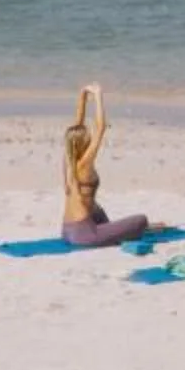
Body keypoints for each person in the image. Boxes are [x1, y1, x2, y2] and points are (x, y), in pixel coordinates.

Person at [61, 83, 156, 248]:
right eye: (87, 137)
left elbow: (77, 124)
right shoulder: (84, 163)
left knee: (98, 210)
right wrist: (98, 96)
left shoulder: (68, 158)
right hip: (84, 234)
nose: (90, 138)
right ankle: (135, 229)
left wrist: (83, 95)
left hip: (67, 229)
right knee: (142, 220)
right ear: (82, 143)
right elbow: (101, 128)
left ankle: (117, 230)